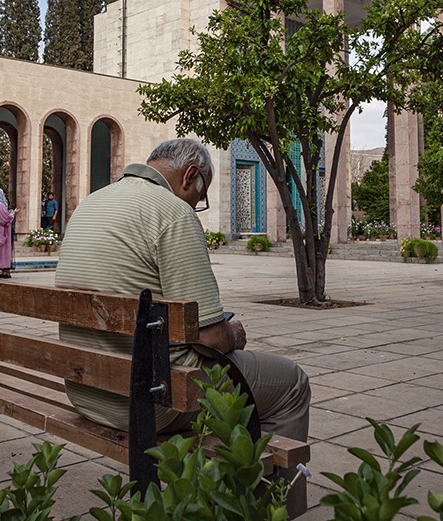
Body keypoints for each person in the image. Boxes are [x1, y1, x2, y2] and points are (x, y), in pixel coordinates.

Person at [55, 139, 310, 442]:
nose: (195, 206)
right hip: (154, 400)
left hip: (87, 390)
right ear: (190, 175)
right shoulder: (173, 213)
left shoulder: (89, 204)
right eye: (199, 196)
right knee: (292, 383)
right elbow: (210, 339)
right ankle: (263, 488)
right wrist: (233, 333)